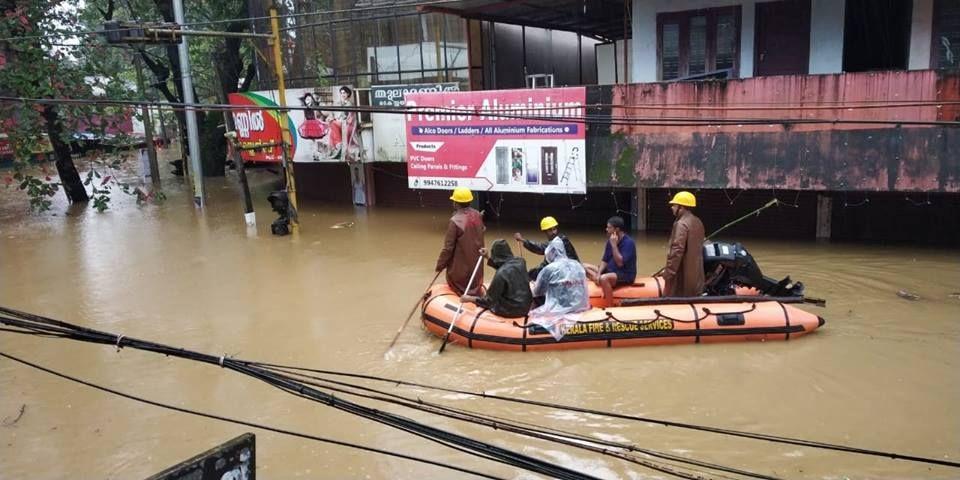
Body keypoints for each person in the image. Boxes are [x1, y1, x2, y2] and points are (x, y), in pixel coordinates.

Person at [529, 238, 589, 340]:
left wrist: (533, 285)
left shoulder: (549, 269)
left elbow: (537, 292)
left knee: (532, 290)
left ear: (551, 252)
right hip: (580, 306)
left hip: (560, 307)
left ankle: (528, 319)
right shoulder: (577, 265)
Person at [460, 239, 532, 318]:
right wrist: (487, 257)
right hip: (526, 306)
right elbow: (505, 267)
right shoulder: (521, 261)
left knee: (493, 301)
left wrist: (470, 298)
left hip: (512, 310)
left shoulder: (500, 275)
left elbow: (488, 301)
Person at [435, 187, 485, 295]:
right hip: (477, 269)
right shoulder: (477, 215)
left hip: (461, 271)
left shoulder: (455, 221)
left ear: (455, 203)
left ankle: (462, 292)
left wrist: (440, 265)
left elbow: (448, 248)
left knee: (457, 274)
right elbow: (482, 230)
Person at [659, 191, 705, 297]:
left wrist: (668, 273)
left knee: (672, 298)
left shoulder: (681, 224)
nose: (672, 208)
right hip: (697, 276)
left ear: (681, 207)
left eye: (674, 205)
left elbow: (677, 250)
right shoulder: (698, 222)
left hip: (682, 275)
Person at [585, 216, 636, 307]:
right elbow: (605, 260)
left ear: (617, 229)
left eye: (609, 227)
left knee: (604, 278)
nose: (606, 229)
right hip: (610, 270)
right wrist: (599, 273)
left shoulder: (629, 243)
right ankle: (600, 282)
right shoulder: (610, 241)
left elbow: (620, 263)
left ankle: (610, 306)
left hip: (624, 274)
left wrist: (614, 245)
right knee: (583, 266)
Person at [514, 216, 580, 280]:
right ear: (545, 231)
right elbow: (542, 253)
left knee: (533, 274)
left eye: (554, 229)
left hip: (567, 271)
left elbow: (540, 248)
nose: (553, 232)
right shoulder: (552, 245)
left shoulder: (561, 240)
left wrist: (522, 240)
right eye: (550, 230)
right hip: (562, 269)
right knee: (532, 273)